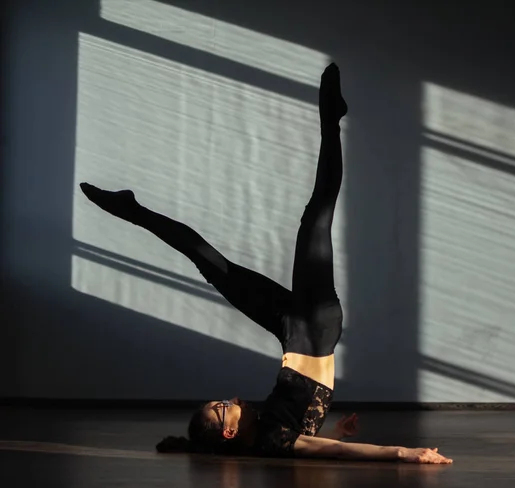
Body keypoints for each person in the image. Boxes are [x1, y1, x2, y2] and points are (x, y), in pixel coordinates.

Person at [80, 63, 452, 464]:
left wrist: (335, 428)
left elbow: (317, 435)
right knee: (317, 214)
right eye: (222, 407)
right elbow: (333, 451)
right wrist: (404, 453)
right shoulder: (273, 440)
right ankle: (331, 119)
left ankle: (132, 209)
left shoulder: (267, 431)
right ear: (228, 431)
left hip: (289, 330)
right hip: (313, 325)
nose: (228, 399)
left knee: (210, 265)